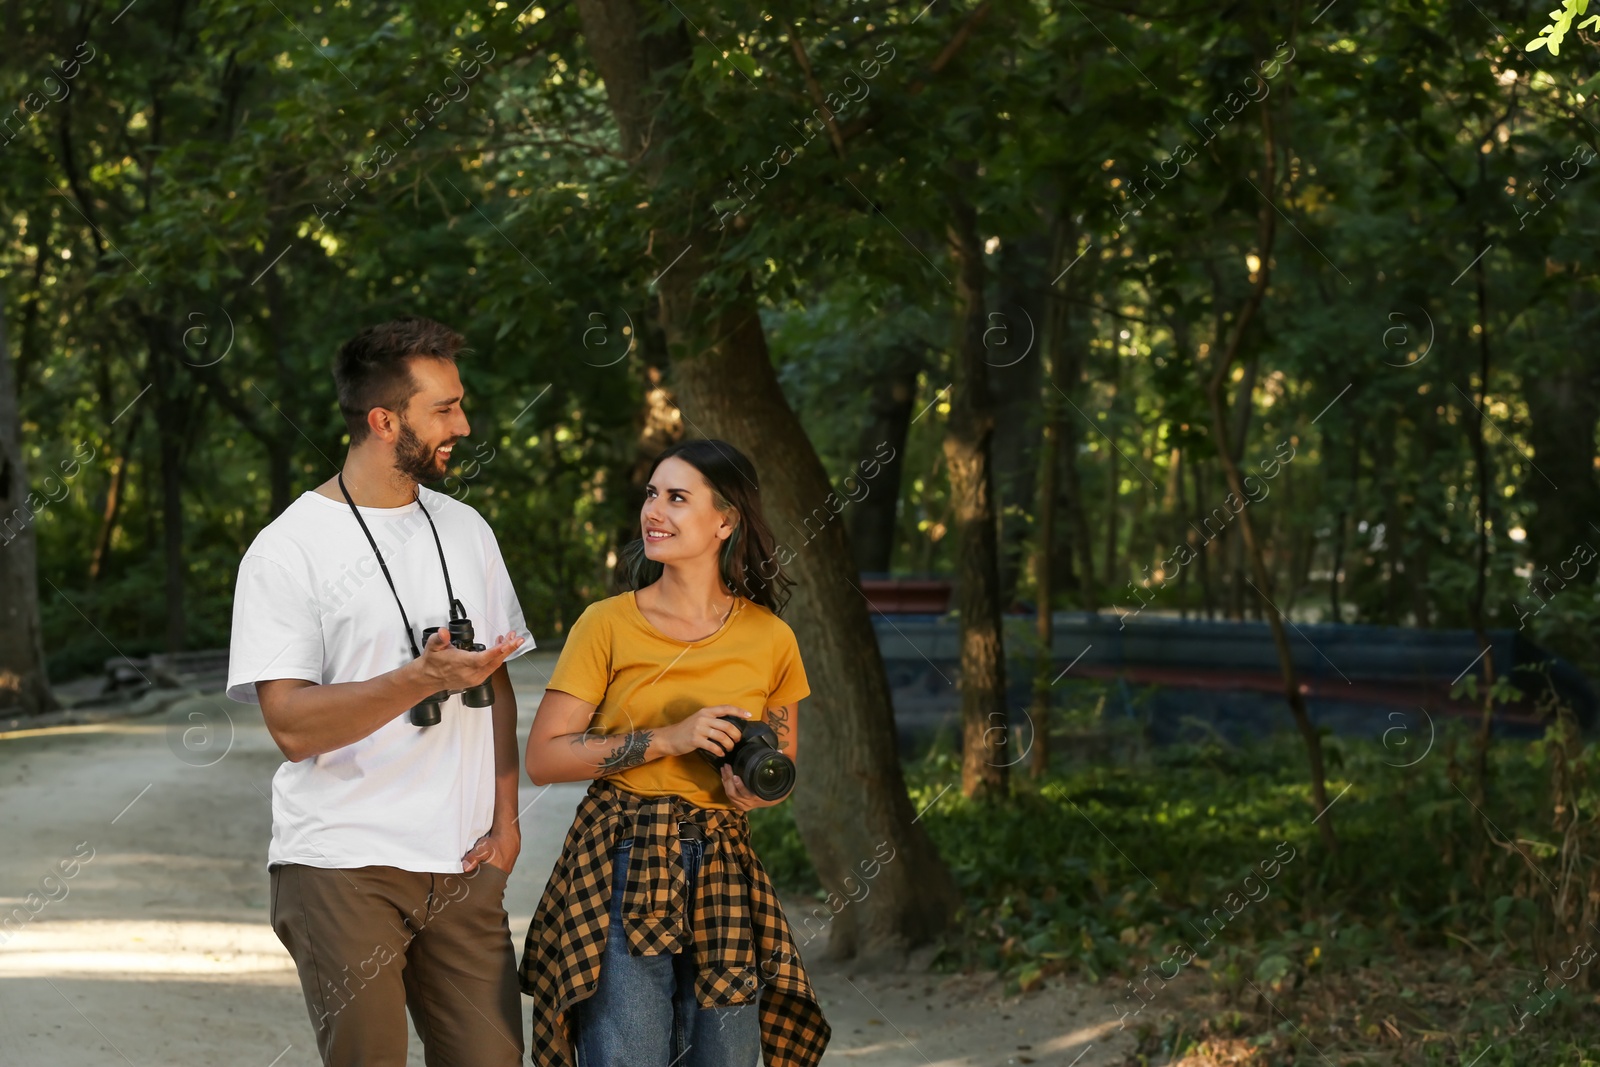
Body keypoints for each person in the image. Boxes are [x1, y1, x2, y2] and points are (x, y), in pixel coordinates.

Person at [225, 316, 532, 1067]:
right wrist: (419, 677)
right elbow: (292, 725)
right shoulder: (288, 549)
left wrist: (506, 818)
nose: (464, 422)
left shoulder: (467, 530)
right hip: (342, 862)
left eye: (460, 403)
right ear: (383, 420)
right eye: (445, 408)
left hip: (463, 864)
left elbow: (498, 682)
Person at [519, 439, 831, 1067]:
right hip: (621, 860)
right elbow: (545, 758)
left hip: (723, 865)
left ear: (725, 521)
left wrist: (752, 791)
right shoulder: (606, 624)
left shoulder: (771, 638)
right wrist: (669, 738)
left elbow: (779, 771)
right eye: (652, 494)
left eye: (677, 498)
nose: (654, 511)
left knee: (727, 1058)